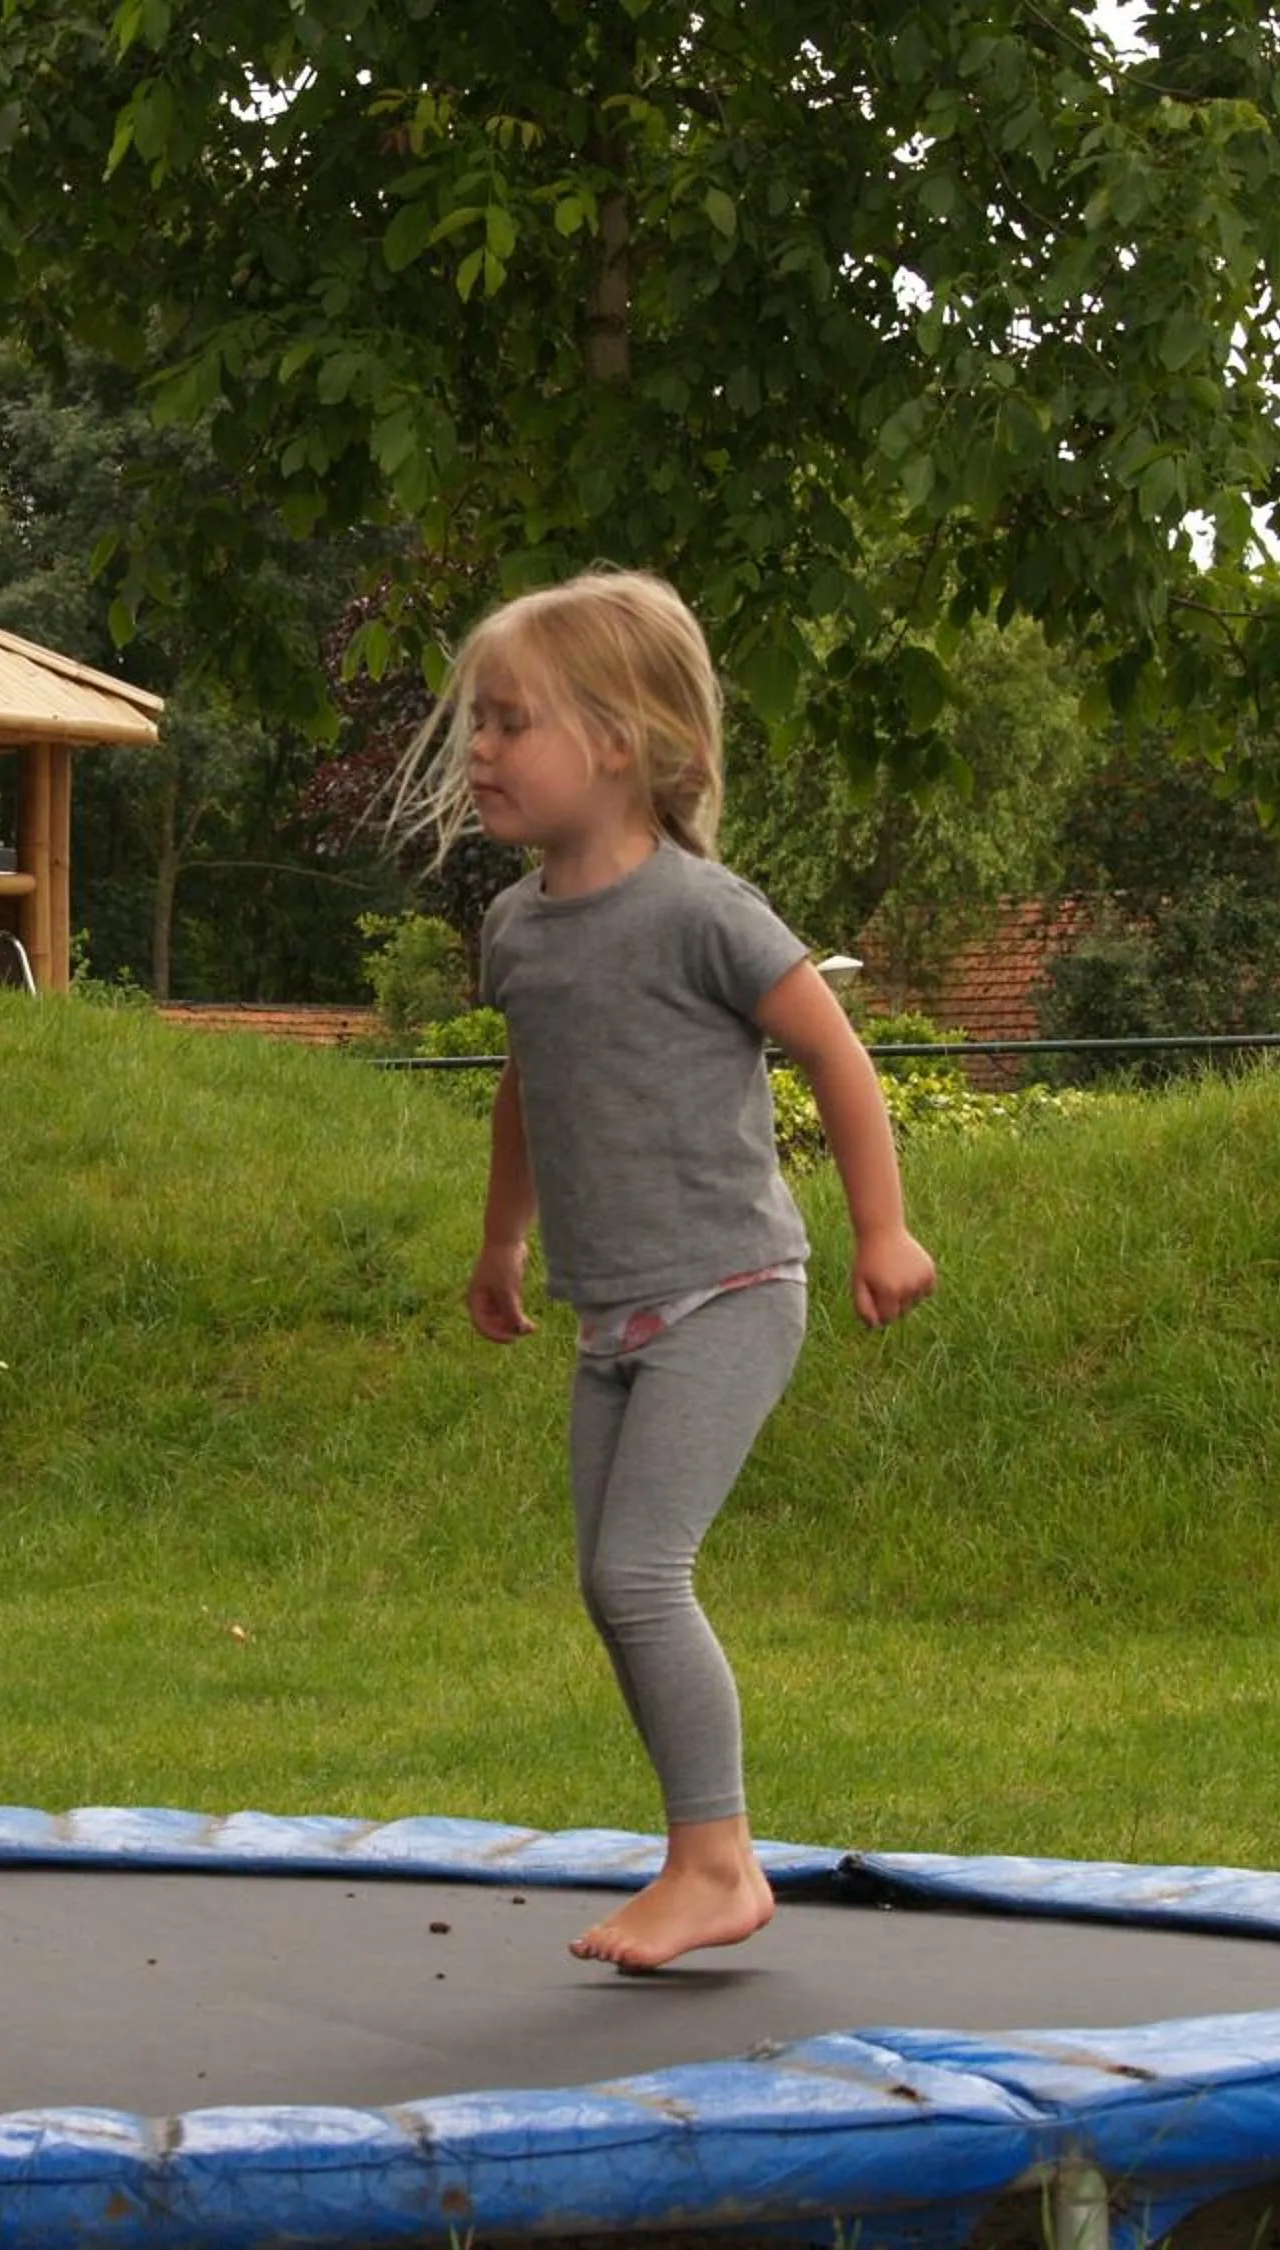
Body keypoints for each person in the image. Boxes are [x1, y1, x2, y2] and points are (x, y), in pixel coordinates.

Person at [395, 570, 938, 1973]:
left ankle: (715, 1860)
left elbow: (835, 1050)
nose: (482, 750)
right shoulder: (517, 927)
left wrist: (883, 1227)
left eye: (512, 722)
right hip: (608, 1313)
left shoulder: (706, 910)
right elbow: (530, 1088)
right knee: (605, 1575)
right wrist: (502, 1238)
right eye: (480, 724)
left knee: (641, 1571)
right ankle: (707, 1851)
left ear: (624, 745)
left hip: (732, 1287)